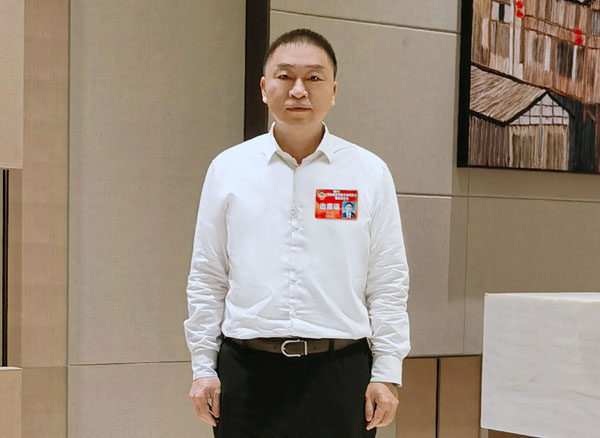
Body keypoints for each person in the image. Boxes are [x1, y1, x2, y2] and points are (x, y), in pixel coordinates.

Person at [184, 28, 410, 438]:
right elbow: (207, 275)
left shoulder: (369, 173)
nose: (299, 90)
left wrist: (387, 371)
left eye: (314, 77)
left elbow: (388, 281)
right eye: (285, 76)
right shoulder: (228, 169)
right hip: (247, 372)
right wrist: (203, 367)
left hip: (340, 372)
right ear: (263, 88)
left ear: (333, 91)